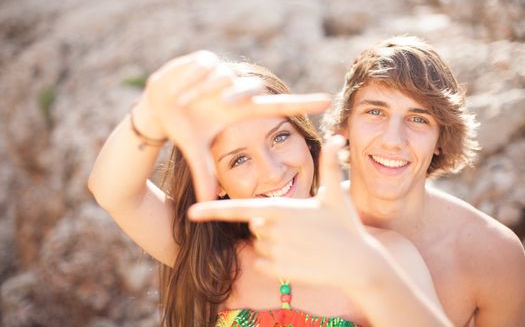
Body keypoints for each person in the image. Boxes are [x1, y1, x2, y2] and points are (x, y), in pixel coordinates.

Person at [88, 52, 450, 326]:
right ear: (216, 184)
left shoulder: (389, 255)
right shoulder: (212, 260)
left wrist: (370, 273)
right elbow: (112, 191)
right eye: (238, 160)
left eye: (279, 137)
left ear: (306, 142)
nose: (272, 169)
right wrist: (151, 114)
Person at [191, 36, 525, 327]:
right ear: (344, 125)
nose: (393, 140)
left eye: (418, 118)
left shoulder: (494, 254)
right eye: (375, 112)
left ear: (441, 139)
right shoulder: (296, 214)